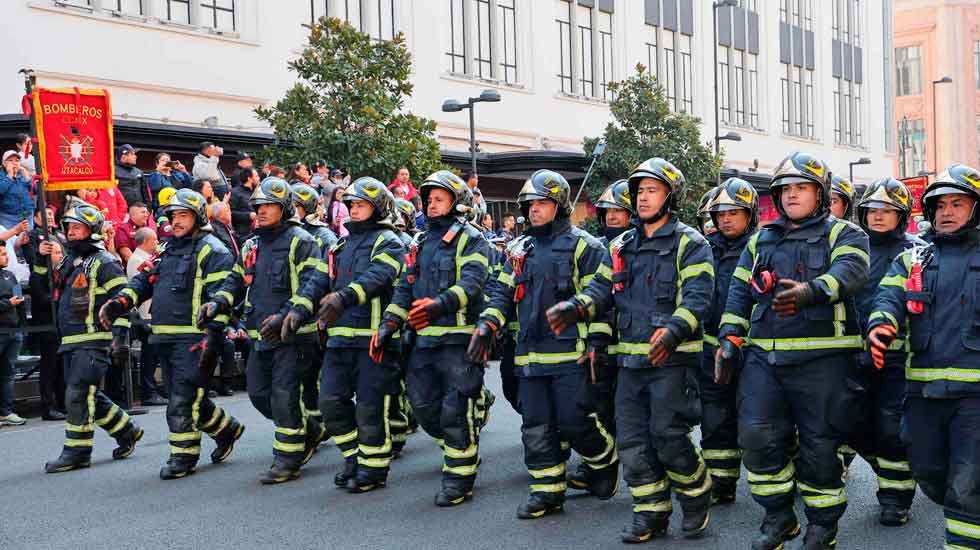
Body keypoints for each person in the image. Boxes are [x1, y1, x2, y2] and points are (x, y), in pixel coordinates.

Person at [548, 160, 714, 542]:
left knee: (668, 437)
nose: (642, 198)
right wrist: (577, 306)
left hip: (673, 361)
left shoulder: (691, 243)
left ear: (671, 197)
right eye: (639, 191)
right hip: (630, 361)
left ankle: (695, 495)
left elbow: (699, 298)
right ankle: (650, 511)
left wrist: (673, 331)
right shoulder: (621, 244)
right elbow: (600, 289)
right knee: (632, 441)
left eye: (652, 190)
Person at [717, 152, 869, 549]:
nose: (791, 195)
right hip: (765, 361)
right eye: (785, 189)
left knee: (819, 447)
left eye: (802, 187)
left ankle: (822, 525)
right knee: (756, 438)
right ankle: (779, 518)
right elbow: (738, 292)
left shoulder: (845, 234)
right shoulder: (761, 238)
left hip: (824, 362)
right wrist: (730, 338)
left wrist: (810, 292)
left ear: (820, 194)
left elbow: (850, 273)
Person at [468, 170, 618, 520]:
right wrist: (487, 325)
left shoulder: (586, 246)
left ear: (560, 205)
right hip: (530, 356)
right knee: (535, 426)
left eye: (541, 203)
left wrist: (597, 344)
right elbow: (501, 293)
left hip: (572, 356)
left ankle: (604, 461)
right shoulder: (521, 250)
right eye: (529, 204)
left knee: (574, 421)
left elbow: (600, 299)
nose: (533, 210)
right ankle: (547, 491)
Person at [868, 164, 980, 549]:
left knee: (967, 485)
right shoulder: (914, 259)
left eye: (958, 204)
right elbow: (887, 297)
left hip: (974, 397)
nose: (947, 212)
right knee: (929, 472)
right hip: (923, 392)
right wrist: (880, 325)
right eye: (940, 205)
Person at [101, 189, 245, 479]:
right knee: (190, 399)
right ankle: (227, 429)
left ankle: (183, 456)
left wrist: (213, 339)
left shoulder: (213, 250)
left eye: (183, 215)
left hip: (194, 340)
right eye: (173, 215)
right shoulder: (166, 250)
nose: (176, 221)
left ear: (198, 217)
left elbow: (223, 297)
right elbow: (143, 280)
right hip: (164, 338)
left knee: (181, 401)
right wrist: (121, 302)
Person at [281, 177, 405, 493]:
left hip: (373, 340)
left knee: (369, 408)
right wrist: (296, 311)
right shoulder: (340, 244)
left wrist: (343, 297)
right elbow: (316, 282)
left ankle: (374, 470)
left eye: (361, 205)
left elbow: (379, 276)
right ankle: (354, 457)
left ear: (378, 208)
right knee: (331, 403)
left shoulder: (389, 241)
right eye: (351, 205)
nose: (354, 210)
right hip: (339, 342)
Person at [200, 177, 327, 484]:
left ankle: (288, 459)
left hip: (293, 337)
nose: (262, 211)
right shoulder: (251, 244)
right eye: (259, 206)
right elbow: (235, 281)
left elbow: (313, 285)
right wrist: (218, 303)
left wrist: (285, 316)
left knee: (284, 396)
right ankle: (308, 431)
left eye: (270, 205)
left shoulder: (302, 240)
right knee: (259, 394)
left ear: (284, 208)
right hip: (260, 337)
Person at [372, 170, 488, 505]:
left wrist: (440, 304)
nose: (431, 205)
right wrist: (388, 325)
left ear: (457, 202)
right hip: (423, 341)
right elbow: (404, 289)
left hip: (459, 341)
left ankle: (459, 477)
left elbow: (472, 282)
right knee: (422, 407)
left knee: (454, 410)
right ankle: (461, 445)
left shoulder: (472, 238)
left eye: (439, 198)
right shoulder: (419, 241)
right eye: (429, 199)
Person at [845, 177, 923, 527]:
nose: (878, 216)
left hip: (898, 355)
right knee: (851, 425)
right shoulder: (849, 247)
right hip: (852, 353)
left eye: (887, 210)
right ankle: (898, 471)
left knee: (891, 428)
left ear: (902, 214)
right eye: (872, 210)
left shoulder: (919, 251)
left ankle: (895, 498)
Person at [44, 201, 144, 474]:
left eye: (78, 227)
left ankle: (77, 451)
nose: (72, 232)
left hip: (94, 340)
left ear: (93, 230)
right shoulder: (69, 261)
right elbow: (50, 287)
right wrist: (43, 260)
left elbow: (123, 301)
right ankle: (127, 430)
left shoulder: (106, 262)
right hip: (71, 340)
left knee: (77, 394)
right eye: (70, 227)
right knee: (87, 394)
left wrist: (120, 339)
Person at [566, 179, 632, 497]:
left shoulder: (642, 246)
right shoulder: (598, 248)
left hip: (639, 343)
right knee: (597, 406)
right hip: (603, 342)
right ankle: (599, 466)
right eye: (607, 211)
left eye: (619, 211)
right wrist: (596, 339)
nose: (611, 217)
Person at [699, 178, 759, 506]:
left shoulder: (764, 247)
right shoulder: (704, 249)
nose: (724, 219)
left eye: (733, 212)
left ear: (750, 214)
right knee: (715, 419)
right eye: (720, 213)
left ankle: (787, 477)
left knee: (758, 421)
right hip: (712, 350)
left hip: (754, 351)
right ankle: (721, 483)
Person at [290, 183, 338, 425]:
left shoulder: (324, 236)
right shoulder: (284, 235)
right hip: (295, 313)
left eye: (295, 206)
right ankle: (314, 424)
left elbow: (328, 278)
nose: (290, 209)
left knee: (314, 375)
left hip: (318, 316)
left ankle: (320, 422)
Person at [125, 227, 167, 407]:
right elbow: (142, 289)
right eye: (155, 240)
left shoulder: (146, 258)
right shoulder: (137, 260)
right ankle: (148, 392)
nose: (157, 243)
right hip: (145, 315)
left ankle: (154, 389)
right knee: (149, 355)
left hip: (153, 312)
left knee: (154, 354)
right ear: (146, 242)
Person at [29, 237, 66, 420]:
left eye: (61, 252)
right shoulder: (41, 272)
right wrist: (39, 256)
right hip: (47, 326)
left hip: (61, 326)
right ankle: (47, 406)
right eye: (56, 252)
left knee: (61, 368)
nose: (60, 256)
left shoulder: (63, 272)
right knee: (49, 368)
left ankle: (62, 403)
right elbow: (38, 293)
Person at [0, 242, 26, 427]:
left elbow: (19, 299)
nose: (6, 256)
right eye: (2, 254)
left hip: (14, 331)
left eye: (5, 253)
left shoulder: (10, 275)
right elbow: (9, 302)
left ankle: (5, 412)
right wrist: (8, 303)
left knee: (8, 374)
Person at [0, 150, 33, 230]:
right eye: (10, 160)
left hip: (27, 216)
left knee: (29, 240)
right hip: (9, 217)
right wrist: (10, 176)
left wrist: (27, 177)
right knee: (11, 241)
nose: (14, 163)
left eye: (17, 160)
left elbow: (35, 190)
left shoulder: (22, 174)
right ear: (4, 163)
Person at [230, 167, 259, 239]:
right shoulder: (235, 192)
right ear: (249, 178)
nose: (259, 178)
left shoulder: (257, 191)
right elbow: (231, 213)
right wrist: (248, 215)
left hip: (258, 229)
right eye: (256, 176)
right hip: (243, 233)